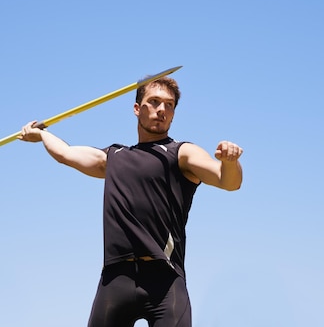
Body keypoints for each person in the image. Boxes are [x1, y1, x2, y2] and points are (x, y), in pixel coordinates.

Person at [18, 76, 243, 327]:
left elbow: (228, 181)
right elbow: (66, 154)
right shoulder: (114, 156)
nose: (162, 110)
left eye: (169, 105)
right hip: (116, 279)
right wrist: (42, 135)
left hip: (165, 281)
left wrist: (230, 162)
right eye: (154, 102)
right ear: (137, 109)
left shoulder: (181, 152)